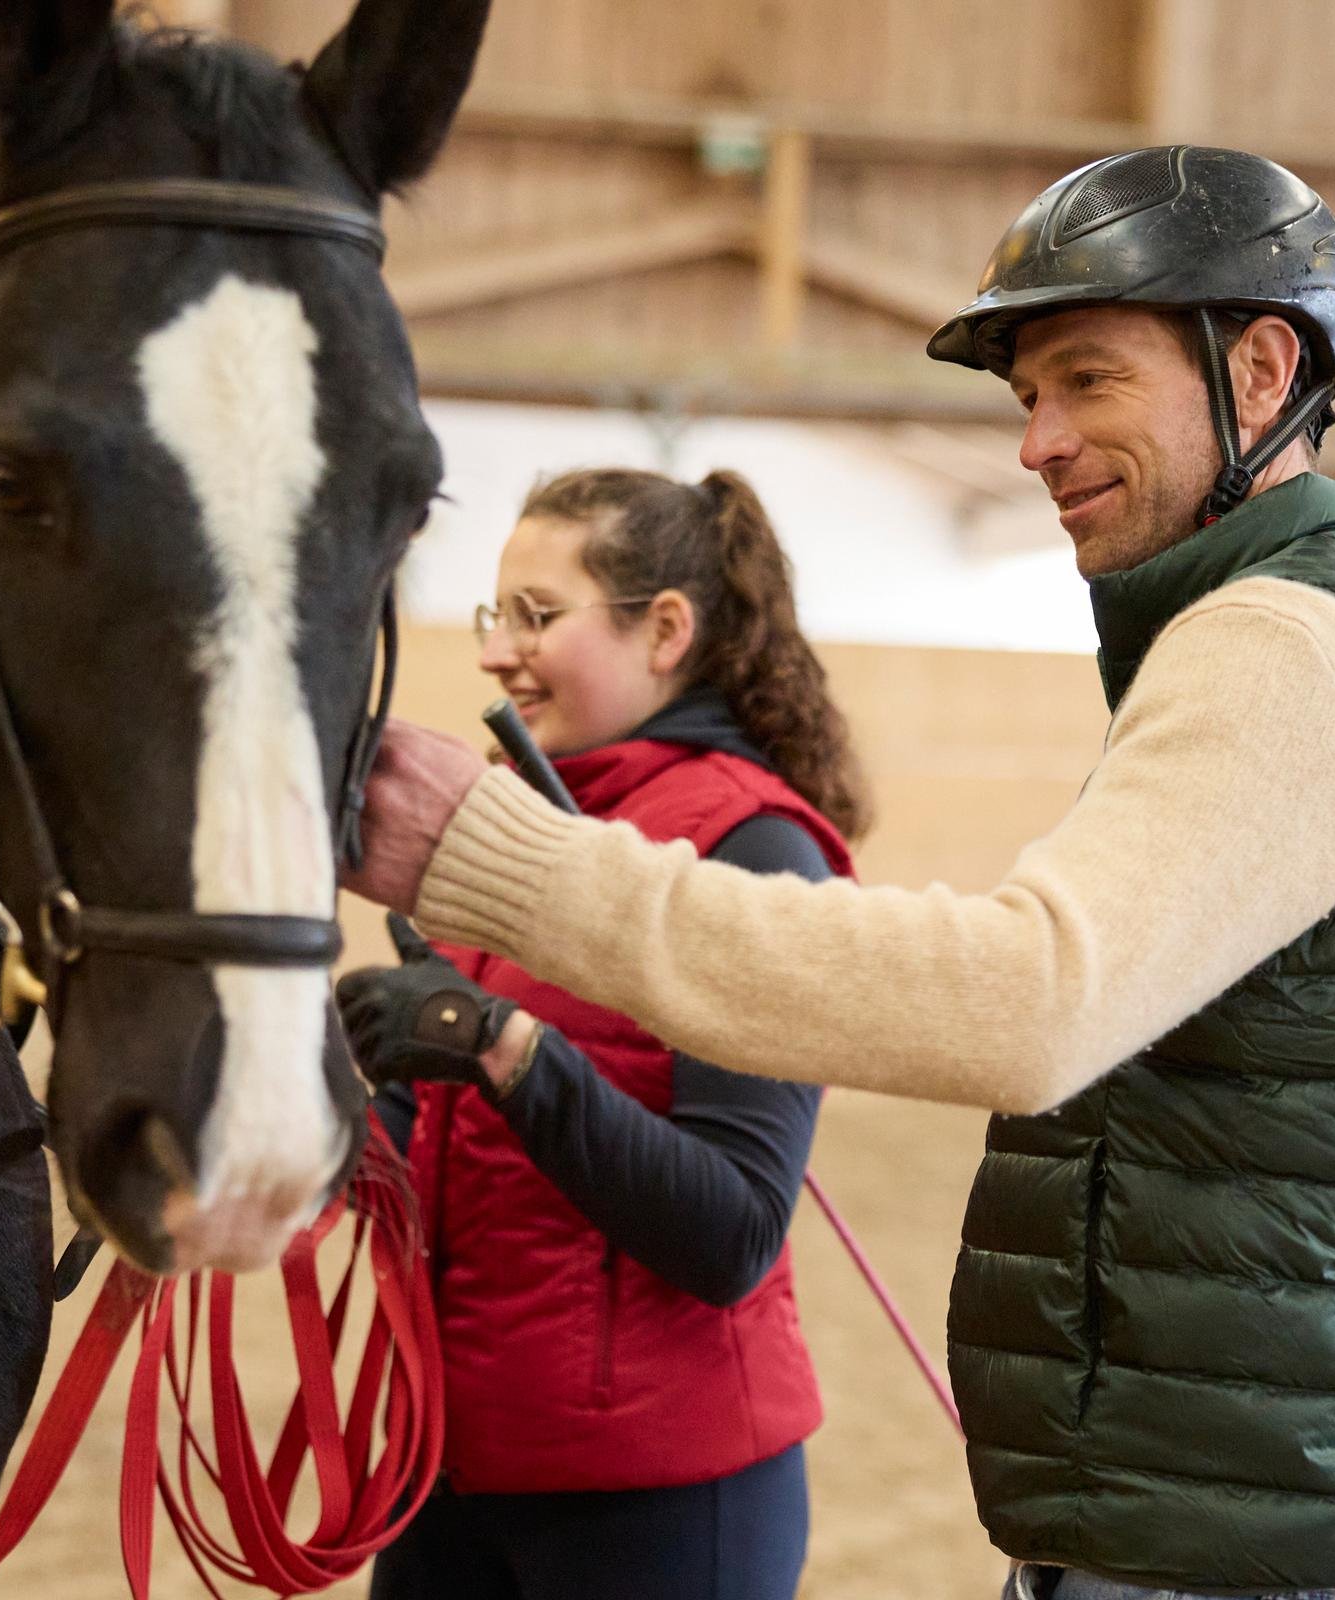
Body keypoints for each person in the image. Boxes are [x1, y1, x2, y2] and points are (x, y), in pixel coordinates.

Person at [340, 146, 1335, 1600]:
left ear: (1262, 373)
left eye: (1087, 380)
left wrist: (499, 865)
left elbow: (1025, 1000)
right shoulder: (1260, 637)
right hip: (1192, 1504)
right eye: (1030, 398)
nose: (1036, 442)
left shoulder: (1284, 648)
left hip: (1231, 1538)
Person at [335, 467, 868, 1600]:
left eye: (536, 616)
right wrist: (345, 1089)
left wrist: (505, 1050)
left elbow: (730, 1230)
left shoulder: (756, 850)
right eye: (496, 616)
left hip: (658, 1501)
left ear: (665, 629)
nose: (495, 652)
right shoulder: (509, 836)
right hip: (452, 1470)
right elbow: (434, 1161)